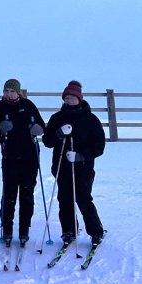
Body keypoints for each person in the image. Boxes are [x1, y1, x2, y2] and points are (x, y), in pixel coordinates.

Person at [42, 81, 106, 245]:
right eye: (67, 97)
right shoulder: (57, 118)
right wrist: (58, 133)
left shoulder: (91, 120)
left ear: (80, 99)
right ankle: (69, 230)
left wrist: (81, 156)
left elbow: (99, 146)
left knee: (83, 198)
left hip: (83, 167)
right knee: (65, 199)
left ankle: (96, 231)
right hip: (61, 166)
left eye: (73, 97)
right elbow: (47, 141)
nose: (70, 100)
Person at [0, 78, 46, 244]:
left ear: (18, 92)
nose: (9, 94)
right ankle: (7, 229)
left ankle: (24, 230)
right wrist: (0, 130)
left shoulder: (28, 105)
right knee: (9, 194)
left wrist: (38, 129)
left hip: (29, 156)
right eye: (6, 91)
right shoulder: (0, 107)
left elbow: (41, 124)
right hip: (10, 156)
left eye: (12, 91)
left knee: (27, 194)